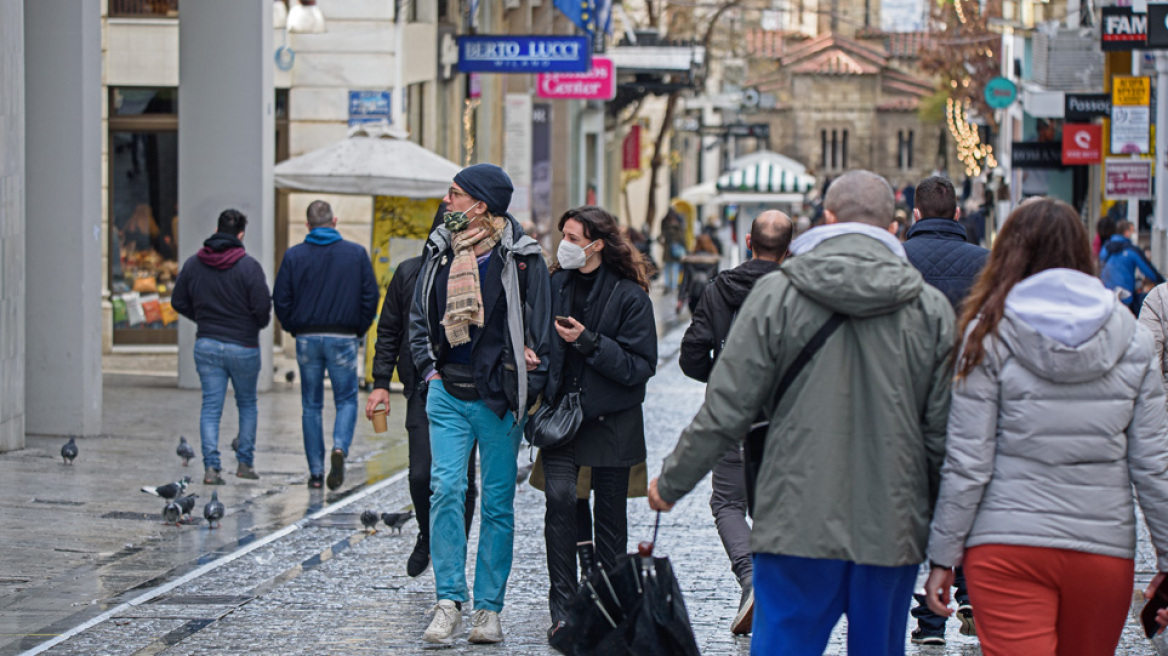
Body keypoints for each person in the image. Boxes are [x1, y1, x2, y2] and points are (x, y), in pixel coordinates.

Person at [649, 170, 955, 656]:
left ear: (827, 219)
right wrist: (948, 541)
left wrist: (671, 482)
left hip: (796, 520)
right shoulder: (930, 309)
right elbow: (942, 436)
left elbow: (729, 406)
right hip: (891, 525)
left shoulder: (778, 297)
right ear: (894, 226)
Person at [923, 197, 1168, 656]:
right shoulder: (1131, 337)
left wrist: (942, 557)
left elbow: (967, 462)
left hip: (1004, 543)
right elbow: (1154, 466)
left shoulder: (987, 333)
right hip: (1101, 547)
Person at [410, 163, 551, 645]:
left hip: (498, 398)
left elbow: (543, 328)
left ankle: (489, 609)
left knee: (497, 504)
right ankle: (448, 600)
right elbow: (417, 316)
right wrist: (428, 372)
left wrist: (531, 366)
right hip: (447, 391)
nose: (446, 203)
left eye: (454, 195)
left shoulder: (523, 258)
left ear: (480, 205)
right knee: (445, 489)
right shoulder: (439, 250)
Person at [541, 206, 657, 641]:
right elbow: (539, 341)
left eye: (573, 238)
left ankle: (609, 612)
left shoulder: (630, 296)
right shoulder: (555, 284)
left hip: (612, 421)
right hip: (562, 419)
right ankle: (564, 610)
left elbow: (640, 366)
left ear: (597, 245)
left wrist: (587, 342)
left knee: (610, 520)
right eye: (564, 235)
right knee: (560, 502)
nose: (565, 245)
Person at [678, 210, 793, 635]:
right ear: (788, 249)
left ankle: (750, 578)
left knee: (727, 502)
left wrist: (724, 376)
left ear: (748, 241)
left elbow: (692, 354)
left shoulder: (719, 289)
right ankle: (773, 587)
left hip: (732, 411)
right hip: (785, 414)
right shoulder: (797, 291)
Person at [901, 176, 988, 644]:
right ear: (957, 215)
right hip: (972, 399)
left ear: (915, 215)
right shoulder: (987, 264)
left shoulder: (895, 260)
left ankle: (929, 619)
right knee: (967, 498)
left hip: (908, 404)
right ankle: (968, 589)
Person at [365, 251, 478, 578]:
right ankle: (429, 535)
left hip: (468, 385)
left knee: (461, 480)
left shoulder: (479, 270)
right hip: (422, 384)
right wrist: (381, 382)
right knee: (421, 474)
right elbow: (389, 330)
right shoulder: (410, 271)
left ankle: (453, 553)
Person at [273, 200, 379, 490]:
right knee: (345, 399)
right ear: (335, 222)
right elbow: (370, 296)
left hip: (307, 337)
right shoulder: (356, 254)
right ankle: (340, 448)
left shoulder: (294, 256)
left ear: (308, 226)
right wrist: (358, 328)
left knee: (311, 405)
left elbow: (280, 298)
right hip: (343, 336)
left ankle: (317, 473)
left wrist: (295, 327)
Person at [172, 209, 271, 485]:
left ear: (217, 230)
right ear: (241, 235)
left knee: (211, 407)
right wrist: (252, 325)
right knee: (248, 404)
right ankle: (244, 463)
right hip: (244, 346)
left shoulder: (194, 264)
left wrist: (203, 318)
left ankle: (212, 468)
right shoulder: (249, 267)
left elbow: (178, 301)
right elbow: (263, 309)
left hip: (208, 344)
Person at [1100, 219, 1164, 313]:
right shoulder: (1131, 250)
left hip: (1106, 296)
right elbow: (1149, 271)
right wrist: (1163, 284)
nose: (1133, 233)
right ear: (1126, 232)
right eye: (1132, 231)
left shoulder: (1106, 248)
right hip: (1124, 297)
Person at [676, 234, 722, 314]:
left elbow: (685, 281)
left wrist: (680, 299)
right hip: (708, 296)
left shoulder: (689, 260)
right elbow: (716, 280)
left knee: (696, 321)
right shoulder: (714, 261)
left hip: (693, 295)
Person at [659, 209, 686, 292]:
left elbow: (659, 238)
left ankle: (667, 285)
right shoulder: (679, 228)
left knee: (667, 269)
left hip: (667, 251)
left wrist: (663, 245)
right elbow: (683, 240)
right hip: (676, 252)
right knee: (675, 270)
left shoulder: (665, 227)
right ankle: (673, 287)